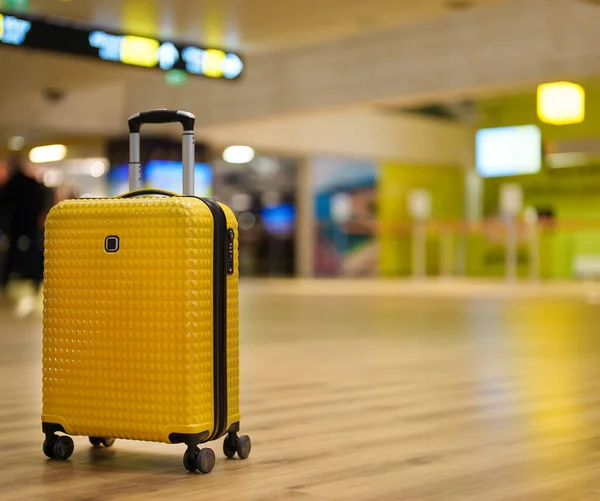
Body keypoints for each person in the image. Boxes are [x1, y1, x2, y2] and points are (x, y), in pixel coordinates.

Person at [0, 155, 51, 299]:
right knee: (35, 249)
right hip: (31, 221)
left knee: (12, 251)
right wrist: (40, 214)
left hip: (15, 222)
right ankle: (37, 279)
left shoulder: (10, 184)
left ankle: (5, 281)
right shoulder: (32, 183)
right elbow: (42, 197)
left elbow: (3, 203)